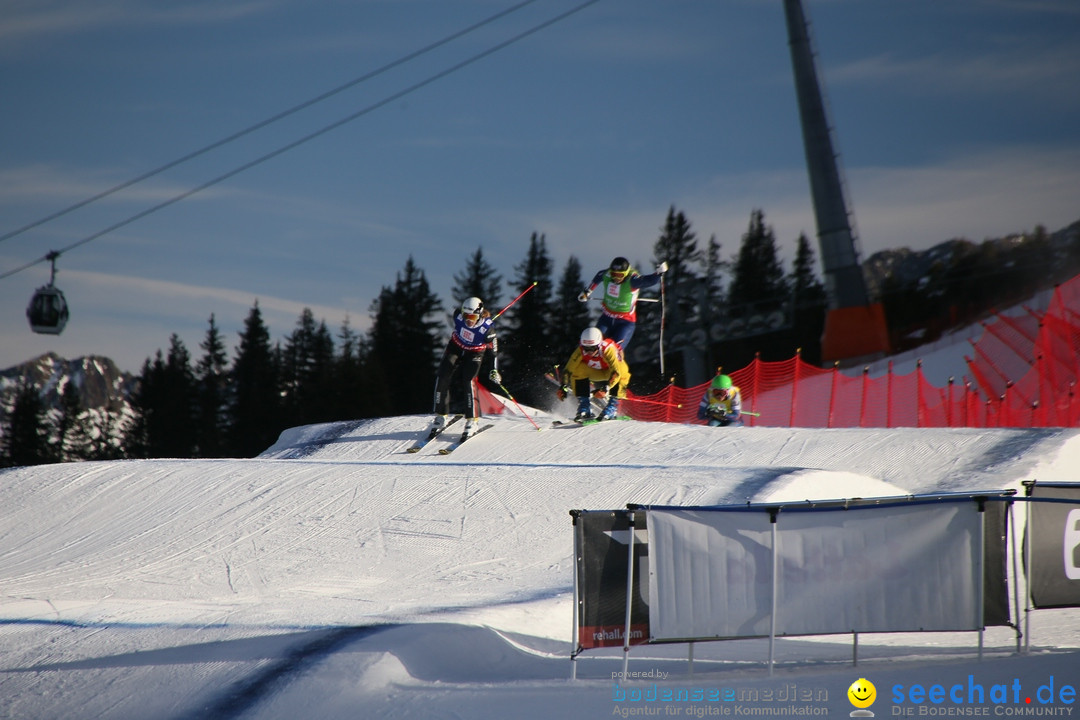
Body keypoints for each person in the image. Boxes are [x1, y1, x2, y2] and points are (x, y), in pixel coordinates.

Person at [431, 297, 501, 439]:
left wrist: (494, 370)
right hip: (456, 346)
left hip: (475, 352)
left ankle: (472, 420)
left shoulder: (487, 330)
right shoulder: (457, 315)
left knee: (469, 380)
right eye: (466, 316)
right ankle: (441, 416)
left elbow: (493, 352)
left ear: (480, 315)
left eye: (473, 316)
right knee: (443, 375)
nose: (469, 320)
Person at [578, 256, 667, 349]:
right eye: (613, 274)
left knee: (615, 350)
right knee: (594, 346)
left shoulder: (632, 281)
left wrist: (659, 273)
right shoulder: (607, 275)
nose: (616, 278)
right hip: (606, 318)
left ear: (626, 273)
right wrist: (587, 292)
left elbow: (649, 281)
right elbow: (599, 276)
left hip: (624, 322)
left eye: (620, 275)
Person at [557, 327, 631, 421]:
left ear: (599, 345)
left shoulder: (608, 349)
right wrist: (563, 386)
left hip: (611, 373)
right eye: (586, 348)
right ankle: (585, 407)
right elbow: (568, 370)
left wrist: (605, 388)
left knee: (623, 370)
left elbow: (616, 372)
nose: (589, 352)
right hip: (596, 372)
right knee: (577, 369)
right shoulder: (580, 351)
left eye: (592, 348)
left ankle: (612, 407)